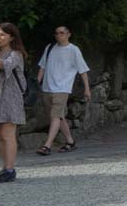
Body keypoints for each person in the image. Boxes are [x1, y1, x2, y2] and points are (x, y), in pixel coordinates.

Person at [35, 25, 90, 156]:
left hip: (62, 88)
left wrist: (87, 89)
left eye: (62, 33)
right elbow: (42, 66)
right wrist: (37, 82)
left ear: (68, 34)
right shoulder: (50, 48)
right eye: (57, 33)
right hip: (47, 87)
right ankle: (70, 142)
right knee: (58, 116)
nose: (59, 35)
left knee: (55, 115)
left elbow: (83, 70)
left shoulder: (74, 50)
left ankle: (47, 145)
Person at [0, 22, 27, 182]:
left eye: (2, 34)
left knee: (8, 135)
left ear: (11, 37)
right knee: (1, 135)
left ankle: (10, 169)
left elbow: (4, 66)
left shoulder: (15, 54)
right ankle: (5, 168)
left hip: (11, 99)